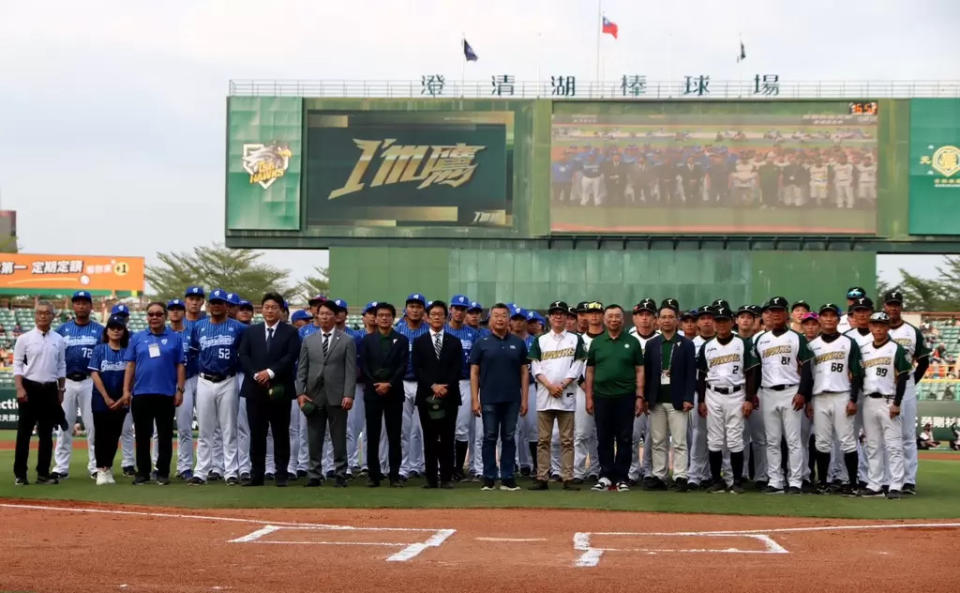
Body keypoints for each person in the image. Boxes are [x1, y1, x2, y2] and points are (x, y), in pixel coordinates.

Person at [748, 296, 814, 495]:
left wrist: (802, 393)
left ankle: (795, 481)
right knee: (772, 439)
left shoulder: (797, 338)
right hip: (768, 392)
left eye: (779, 310)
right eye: (771, 310)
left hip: (791, 391)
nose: (775, 314)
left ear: (786, 314)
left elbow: (808, 367)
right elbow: (756, 370)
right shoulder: (760, 339)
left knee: (793, 440)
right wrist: (753, 394)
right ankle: (775, 480)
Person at [237, 292, 300, 487]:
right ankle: (257, 475)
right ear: (261, 310)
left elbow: (290, 357)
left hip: (280, 389)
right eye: (266, 307)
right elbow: (243, 355)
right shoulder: (251, 332)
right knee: (257, 434)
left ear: (281, 310)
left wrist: (270, 373)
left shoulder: (290, 332)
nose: (270, 311)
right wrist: (257, 374)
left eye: (274, 307)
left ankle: (281, 474)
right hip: (255, 389)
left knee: (281, 433)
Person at [188, 289, 247, 486]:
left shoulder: (238, 327)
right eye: (212, 303)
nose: (215, 306)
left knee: (229, 429)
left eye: (219, 303)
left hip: (228, 380)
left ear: (226, 306)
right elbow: (194, 353)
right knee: (205, 430)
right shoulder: (199, 327)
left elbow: (244, 353)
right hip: (204, 380)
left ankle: (231, 472)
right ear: (208, 305)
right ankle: (201, 472)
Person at [122, 302, 185, 485]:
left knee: (165, 436)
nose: (154, 317)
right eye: (151, 314)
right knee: (142, 436)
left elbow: (180, 365)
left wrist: (180, 390)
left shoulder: (175, 338)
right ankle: (142, 473)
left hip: (166, 394)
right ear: (146, 317)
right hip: (141, 393)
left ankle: (163, 473)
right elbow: (130, 365)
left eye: (158, 314)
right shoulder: (138, 338)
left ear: (164, 316)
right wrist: (126, 390)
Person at [296, 300, 357, 487]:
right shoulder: (309, 340)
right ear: (317, 315)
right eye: (321, 313)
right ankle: (314, 474)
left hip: (338, 394)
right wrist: (300, 393)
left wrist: (349, 394)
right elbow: (302, 369)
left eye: (328, 314)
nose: (325, 317)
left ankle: (340, 473)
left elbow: (350, 370)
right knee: (314, 436)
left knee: (338, 436)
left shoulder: (347, 340)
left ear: (335, 316)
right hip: (314, 394)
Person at [469, 303, 529, 491]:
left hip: (512, 398)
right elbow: (474, 372)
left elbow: (524, 372)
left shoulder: (518, 343)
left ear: (509, 319)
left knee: (509, 438)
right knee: (489, 437)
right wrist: (474, 398)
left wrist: (525, 398)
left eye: (504, 315)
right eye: (496, 315)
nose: (500, 319)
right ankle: (488, 477)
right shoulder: (482, 343)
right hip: (488, 397)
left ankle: (508, 477)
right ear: (490, 319)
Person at [696, 305, 756, 493]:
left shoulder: (743, 344)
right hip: (712, 394)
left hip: (736, 393)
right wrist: (702, 400)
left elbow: (752, 372)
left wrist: (749, 398)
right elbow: (701, 375)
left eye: (724, 321)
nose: (721, 325)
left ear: (732, 322)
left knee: (735, 439)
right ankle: (717, 480)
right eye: (718, 321)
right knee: (714, 440)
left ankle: (736, 481)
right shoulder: (708, 346)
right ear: (714, 323)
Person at [584, 304, 644, 493]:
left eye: (617, 316)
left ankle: (622, 477)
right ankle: (605, 476)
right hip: (602, 397)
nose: (614, 319)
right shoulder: (597, 342)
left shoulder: (632, 342)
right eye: (610, 316)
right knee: (604, 438)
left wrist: (639, 396)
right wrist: (589, 396)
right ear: (604, 319)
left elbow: (640, 370)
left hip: (626, 397)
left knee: (625, 438)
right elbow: (590, 370)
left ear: (623, 319)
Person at [527, 301, 585, 491]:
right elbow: (535, 366)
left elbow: (578, 366)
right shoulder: (541, 340)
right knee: (543, 439)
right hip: (545, 394)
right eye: (554, 313)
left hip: (566, 393)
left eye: (562, 313)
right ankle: (542, 477)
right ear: (549, 317)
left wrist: (562, 384)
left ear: (567, 317)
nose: (558, 316)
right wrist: (550, 385)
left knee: (567, 439)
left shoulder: (575, 339)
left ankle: (568, 477)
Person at [806, 303, 862, 495]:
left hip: (842, 395)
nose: (829, 319)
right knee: (821, 442)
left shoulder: (848, 343)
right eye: (825, 315)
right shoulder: (812, 345)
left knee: (847, 441)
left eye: (832, 316)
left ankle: (853, 483)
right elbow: (807, 376)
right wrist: (807, 401)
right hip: (819, 397)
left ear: (839, 320)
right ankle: (823, 482)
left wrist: (853, 398)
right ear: (820, 319)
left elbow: (856, 372)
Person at [642, 300, 696, 491]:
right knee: (658, 441)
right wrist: (646, 398)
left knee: (680, 441)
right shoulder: (652, 344)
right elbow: (647, 373)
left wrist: (689, 397)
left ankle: (681, 476)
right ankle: (659, 475)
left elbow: (691, 374)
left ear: (677, 320)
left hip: (678, 400)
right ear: (657, 320)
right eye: (663, 317)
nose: (666, 320)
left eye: (670, 317)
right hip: (656, 400)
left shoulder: (687, 345)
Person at [13, 302, 67, 485]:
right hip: (29, 388)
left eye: (47, 313)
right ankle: (20, 474)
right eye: (40, 313)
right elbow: (17, 364)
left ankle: (43, 474)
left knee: (46, 435)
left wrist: (61, 389)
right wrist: (20, 388)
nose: (43, 316)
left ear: (53, 316)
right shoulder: (24, 339)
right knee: (24, 433)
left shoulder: (59, 339)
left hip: (50, 389)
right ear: (35, 316)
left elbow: (61, 366)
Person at [858, 311, 911, 499]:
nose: (878, 328)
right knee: (872, 445)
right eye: (875, 325)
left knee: (894, 445)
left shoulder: (896, 349)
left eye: (882, 325)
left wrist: (897, 402)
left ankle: (896, 484)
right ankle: (875, 484)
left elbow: (904, 376)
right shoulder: (864, 349)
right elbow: (858, 376)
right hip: (869, 401)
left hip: (889, 400)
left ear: (888, 327)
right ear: (870, 327)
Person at [52, 290, 104, 480]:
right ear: (73, 306)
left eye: (85, 302)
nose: (81, 305)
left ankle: (95, 466)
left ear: (91, 306)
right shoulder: (61, 330)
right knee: (64, 426)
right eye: (78, 302)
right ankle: (61, 466)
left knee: (93, 427)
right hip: (66, 382)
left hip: (90, 381)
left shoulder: (99, 330)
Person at [883, 290, 930, 496]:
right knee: (882, 435)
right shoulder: (877, 329)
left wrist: (910, 382)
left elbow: (924, 361)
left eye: (896, 304)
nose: (893, 307)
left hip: (906, 383)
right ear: (884, 306)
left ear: (901, 307)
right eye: (890, 304)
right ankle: (886, 478)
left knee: (908, 435)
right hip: (882, 386)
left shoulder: (912, 331)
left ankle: (908, 480)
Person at [412, 300, 463, 489]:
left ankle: (447, 478)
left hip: (449, 396)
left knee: (448, 437)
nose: (436, 317)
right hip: (427, 395)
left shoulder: (454, 342)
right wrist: (433, 386)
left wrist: (445, 386)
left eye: (440, 314)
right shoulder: (419, 342)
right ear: (427, 317)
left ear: (445, 317)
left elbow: (457, 368)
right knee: (430, 437)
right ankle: (432, 479)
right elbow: (417, 369)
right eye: (433, 314)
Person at [359, 303, 408, 487]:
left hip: (394, 392)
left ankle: (394, 475)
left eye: (388, 315)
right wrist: (376, 384)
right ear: (375, 318)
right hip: (373, 392)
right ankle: (374, 474)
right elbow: (364, 366)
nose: (384, 318)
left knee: (395, 434)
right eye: (381, 315)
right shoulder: (367, 340)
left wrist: (389, 383)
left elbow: (403, 366)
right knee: (373, 434)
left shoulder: (401, 340)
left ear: (393, 317)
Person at [88, 316, 130, 485]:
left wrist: (122, 398)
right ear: (106, 331)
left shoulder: (128, 350)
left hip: (121, 399)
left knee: (114, 435)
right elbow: (94, 373)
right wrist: (106, 397)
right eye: (112, 327)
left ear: (123, 330)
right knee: (101, 434)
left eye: (119, 327)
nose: (116, 330)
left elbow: (131, 375)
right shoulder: (99, 349)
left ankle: (108, 467)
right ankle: (101, 469)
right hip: (101, 399)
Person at [394, 293, 428, 481]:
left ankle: (422, 465)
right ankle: (404, 467)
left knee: (424, 428)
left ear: (424, 310)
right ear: (406, 309)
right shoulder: (398, 331)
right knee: (404, 429)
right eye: (412, 306)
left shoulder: (429, 331)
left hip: (424, 384)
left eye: (418, 306)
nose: (415, 309)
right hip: (403, 383)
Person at [445, 295, 479, 483]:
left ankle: (458, 468)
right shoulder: (442, 330)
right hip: (445, 384)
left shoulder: (472, 334)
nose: (459, 312)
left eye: (462, 309)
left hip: (465, 382)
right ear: (451, 310)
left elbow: (475, 364)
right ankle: (445, 466)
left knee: (462, 428)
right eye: (456, 308)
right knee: (443, 427)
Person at [627, 298, 659, 486]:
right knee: (631, 435)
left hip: (656, 394)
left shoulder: (662, 338)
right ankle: (632, 470)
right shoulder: (629, 339)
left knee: (653, 436)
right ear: (635, 318)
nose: (645, 318)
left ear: (655, 318)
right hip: (633, 394)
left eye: (648, 314)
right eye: (641, 314)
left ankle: (649, 470)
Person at [574, 301, 604, 484]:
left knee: (601, 434)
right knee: (582, 433)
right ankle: (578, 471)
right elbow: (575, 366)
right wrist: (586, 387)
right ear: (585, 315)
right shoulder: (578, 340)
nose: (593, 316)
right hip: (582, 389)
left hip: (605, 391)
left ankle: (595, 469)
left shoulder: (609, 337)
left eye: (597, 312)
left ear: (602, 315)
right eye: (590, 313)